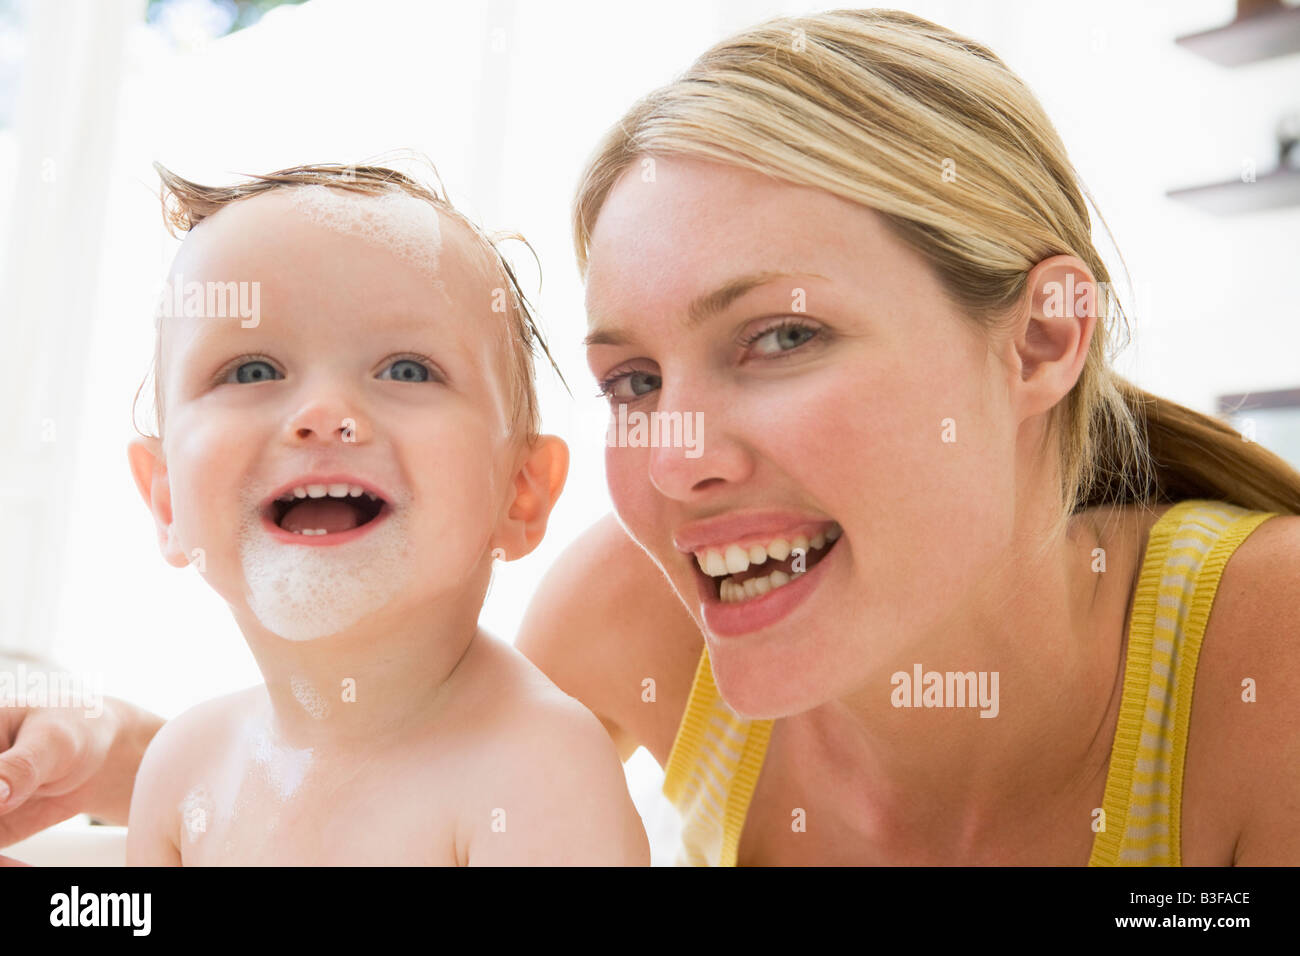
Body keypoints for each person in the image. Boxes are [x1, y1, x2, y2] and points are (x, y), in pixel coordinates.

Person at [3, 9, 1299, 866]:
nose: (679, 459)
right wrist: (128, 755)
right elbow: (387, 795)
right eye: (630, 379)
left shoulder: (1268, 660)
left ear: (1042, 341)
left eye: (779, 339)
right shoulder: (634, 619)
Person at [122, 161, 646, 865]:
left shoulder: (534, 768)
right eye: (251, 370)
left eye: (406, 370)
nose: (325, 415)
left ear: (521, 490)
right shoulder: (182, 768)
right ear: (165, 499)